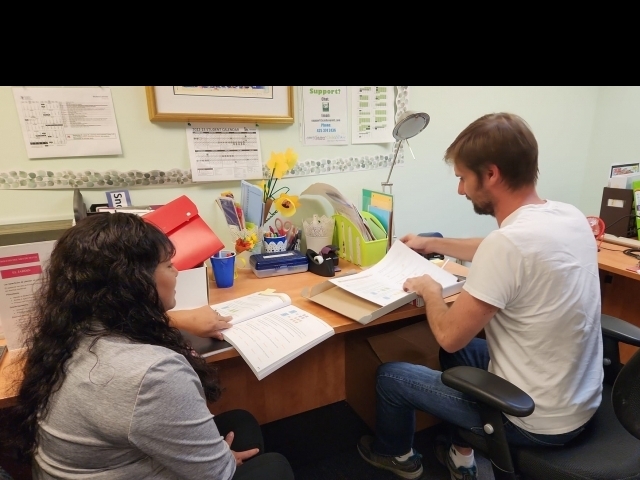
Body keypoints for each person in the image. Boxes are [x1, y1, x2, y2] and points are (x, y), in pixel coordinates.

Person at [357, 112, 603, 479]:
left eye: (462, 178)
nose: (460, 190)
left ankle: (396, 457)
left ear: (491, 174)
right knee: (458, 357)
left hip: (532, 419)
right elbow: (494, 247)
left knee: (392, 377)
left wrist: (430, 289)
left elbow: (449, 334)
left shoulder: (508, 244)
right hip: (580, 399)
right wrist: (430, 243)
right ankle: (462, 454)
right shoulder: (567, 216)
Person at [5, 213, 294, 480]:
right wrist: (224, 460)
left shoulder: (69, 333)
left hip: (102, 467)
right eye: (168, 265)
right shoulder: (152, 373)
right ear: (135, 281)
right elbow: (217, 473)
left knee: (240, 424)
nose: (177, 272)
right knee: (273, 467)